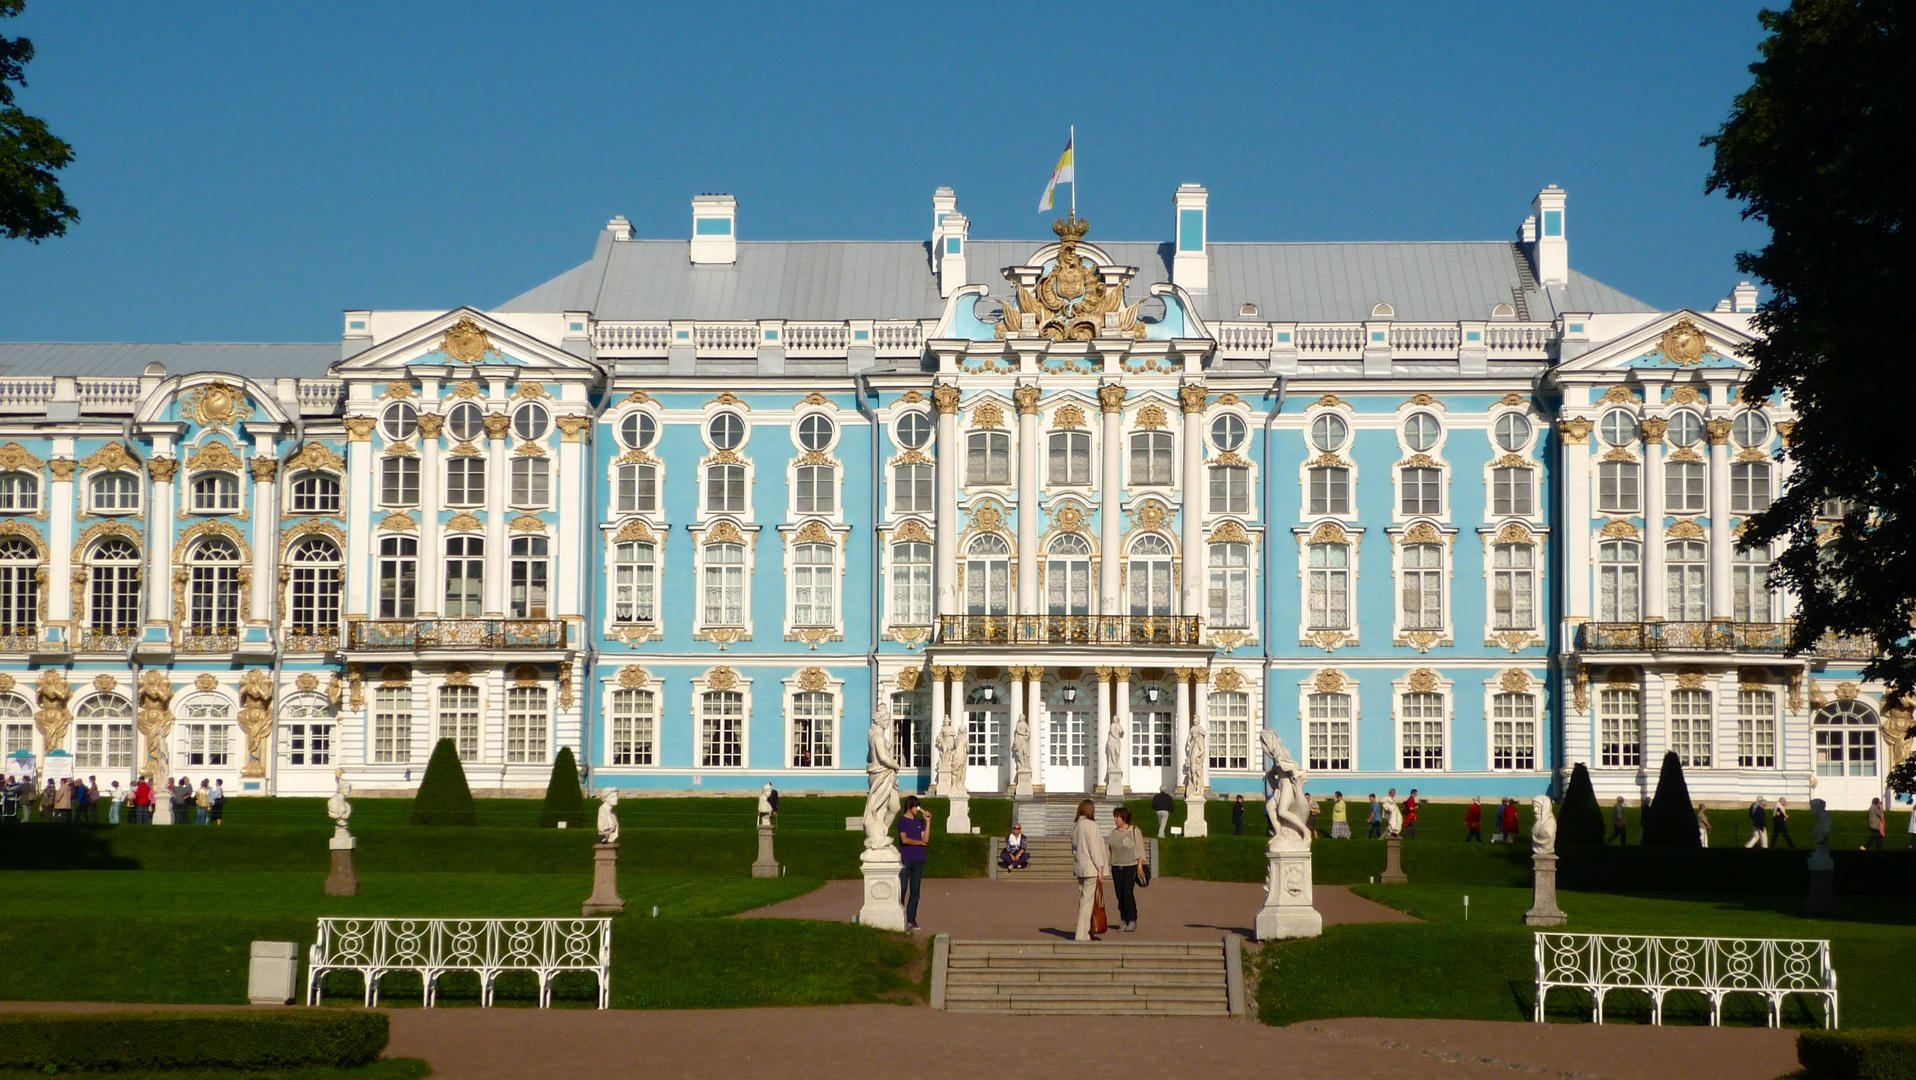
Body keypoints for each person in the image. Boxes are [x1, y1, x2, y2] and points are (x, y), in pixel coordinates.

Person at [1070, 799, 1109, 942]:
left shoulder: (1077, 826)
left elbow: (1074, 848)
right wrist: (1100, 867)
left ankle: (1089, 931)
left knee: (1084, 900)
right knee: (1087, 902)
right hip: (1091, 868)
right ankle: (1082, 934)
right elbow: (1095, 848)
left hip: (1080, 867)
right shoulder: (1091, 826)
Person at [1107, 807, 1145, 933]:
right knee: (1119, 894)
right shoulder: (1113, 833)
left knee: (1127, 892)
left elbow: (1140, 851)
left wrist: (1140, 867)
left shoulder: (1134, 831)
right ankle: (1123, 918)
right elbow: (1108, 850)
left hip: (1130, 865)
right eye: (1115, 817)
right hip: (1117, 866)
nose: (1115, 819)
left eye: (1117, 817)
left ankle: (1132, 919)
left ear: (1124, 818)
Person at [896, 795, 930, 931]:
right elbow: (904, 840)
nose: (918, 809)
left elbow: (926, 840)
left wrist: (928, 822)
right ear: (910, 807)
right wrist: (919, 843)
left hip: (919, 858)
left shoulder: (920, 822)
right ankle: (899, 914)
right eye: (916, 806)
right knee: (903, 888)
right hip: (906, 858)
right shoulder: (902, 821)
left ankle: (911, 918)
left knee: (915, 890)